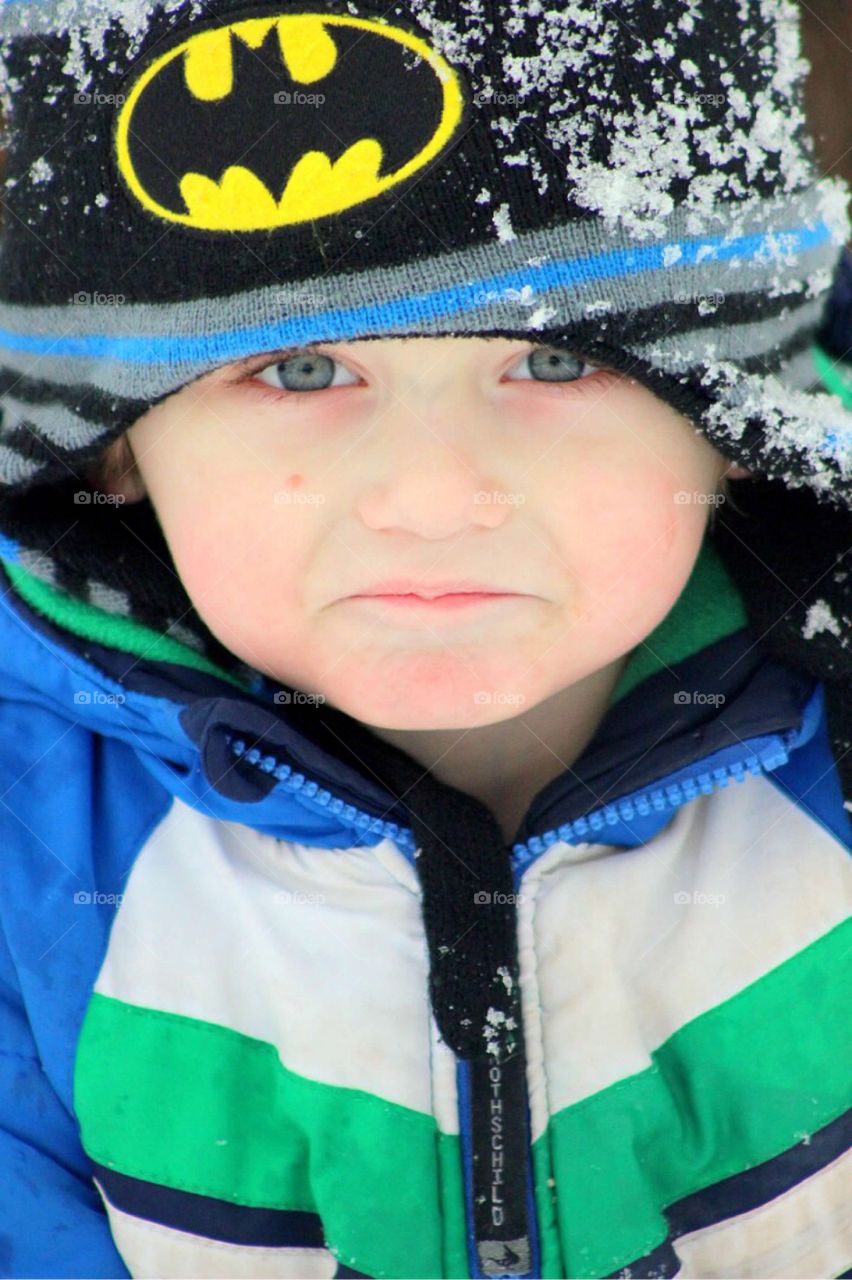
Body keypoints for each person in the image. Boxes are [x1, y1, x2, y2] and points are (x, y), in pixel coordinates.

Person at [0, 3, 849, 1278]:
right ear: (112, 448)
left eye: (558, 366)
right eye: (299, 372)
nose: (436, 494)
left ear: (733, 424)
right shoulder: (30, 852)